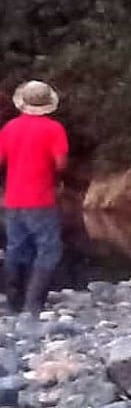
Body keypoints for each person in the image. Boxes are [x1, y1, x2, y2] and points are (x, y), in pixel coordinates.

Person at [0, 80, 69, 316]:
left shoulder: (9, 128)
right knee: (48, 249)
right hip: (40, 199)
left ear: (23, 103)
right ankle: (33, 302)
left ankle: (12, 302)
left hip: (12, 199)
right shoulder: (54, 129)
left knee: (15, 248)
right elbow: (61, 163)